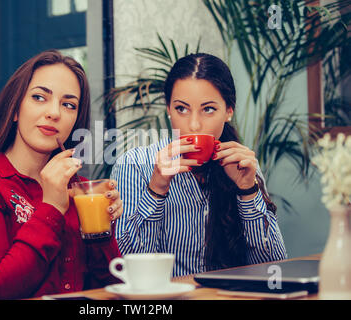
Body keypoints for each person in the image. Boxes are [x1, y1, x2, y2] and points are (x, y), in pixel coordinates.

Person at [0, 50, 123, 299]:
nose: (54, 113)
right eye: (39, 97)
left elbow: (112, 287)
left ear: (74, 122)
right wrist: (51, 208)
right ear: (15, 109)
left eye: (68, 105)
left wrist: (101, 230)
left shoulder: (78, 189)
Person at [111, 53, 287, 276]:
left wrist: (247, 191)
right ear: (168, 109)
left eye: (208, 109)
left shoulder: (243, 165)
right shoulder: (135, 164)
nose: (194, 125)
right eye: (182, 109)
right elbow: (125, 268)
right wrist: (156, 190)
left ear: (229, 112)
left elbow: (274, 268)